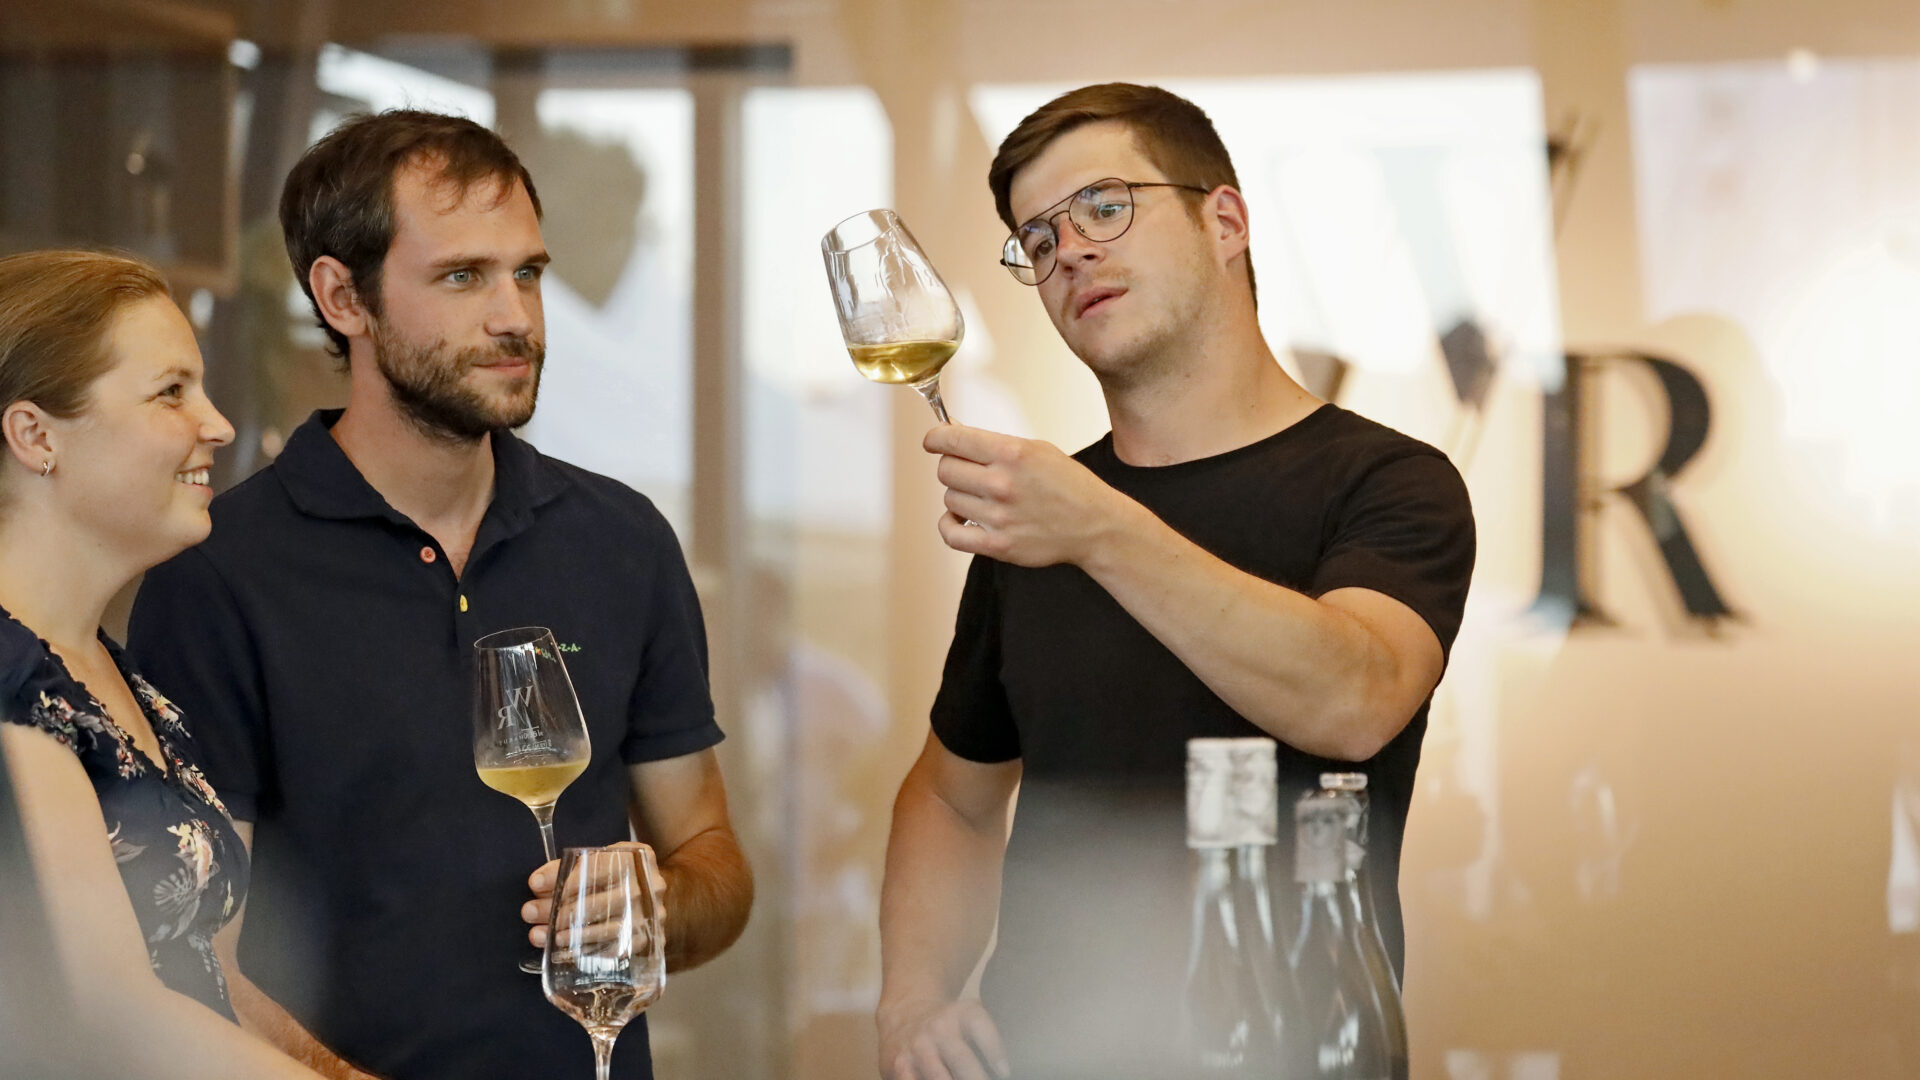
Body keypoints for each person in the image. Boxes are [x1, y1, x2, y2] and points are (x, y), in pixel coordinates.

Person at [127, 111, 753, 1080]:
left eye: (529, 273)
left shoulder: (622, 542)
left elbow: (716, 862)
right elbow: (193, 954)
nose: (517, 317)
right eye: (463, 277)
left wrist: (659, 901)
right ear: (343, 297)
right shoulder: (219, 572)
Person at [876, 83, 1476, 1080]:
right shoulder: (1044, 514)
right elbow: (953, 798)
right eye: (1037, 241)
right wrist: (909, 1001)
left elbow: (1356, 697)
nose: (1068, 251)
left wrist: (1097, 527)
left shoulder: (1385, 481)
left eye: (1105, 206)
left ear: (1225, 219)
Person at [0, 249, 340, 1080]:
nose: (218, 425)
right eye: (171, 391)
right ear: (36, 435)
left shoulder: (119, 678)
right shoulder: (10, 684)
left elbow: (203, 979)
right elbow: (121, 1016)